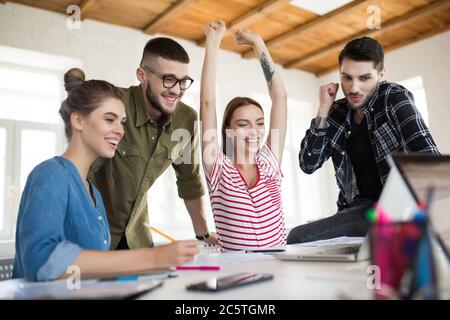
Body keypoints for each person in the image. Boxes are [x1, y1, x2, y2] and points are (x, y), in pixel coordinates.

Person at [13, 69, 198, 281]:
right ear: (78, 121)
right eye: (110, 119)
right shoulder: (50, 175)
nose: (120, 130)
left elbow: (94, 269)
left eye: (122, 122)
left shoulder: (94, 193)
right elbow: (41, 260)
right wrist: (151, 258)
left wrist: (161, 268)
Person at [287, 37, 440, 244]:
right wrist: (323, 110)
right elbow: (307, 164)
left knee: (298, 237)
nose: (353, 88)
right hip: (357, 209)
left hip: (395, 210)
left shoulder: (394, 98)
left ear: (381, 74)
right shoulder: (336, 112)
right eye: (347, 78)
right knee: (302, 238)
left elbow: (431, 162)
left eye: (364, 78)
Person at [88, 38, 219, 249]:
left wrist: (203, 234)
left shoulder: (186, 119)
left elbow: (189, 181)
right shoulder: (113, 104)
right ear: (142, 75)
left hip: (137, 238)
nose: (176, 90)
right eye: (168, 79)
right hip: (92, 233)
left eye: (183, 81)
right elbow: (81, 170)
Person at [200, 21, 288, 251]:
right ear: (228, 129)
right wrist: (213, 41)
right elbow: (207, 103)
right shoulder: (218, 169)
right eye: (243, 124)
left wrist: (257, 43)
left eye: (259, 123)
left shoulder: (270, 161)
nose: (254, 132)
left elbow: (279, 96)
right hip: (237, 277)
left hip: (279, 273)